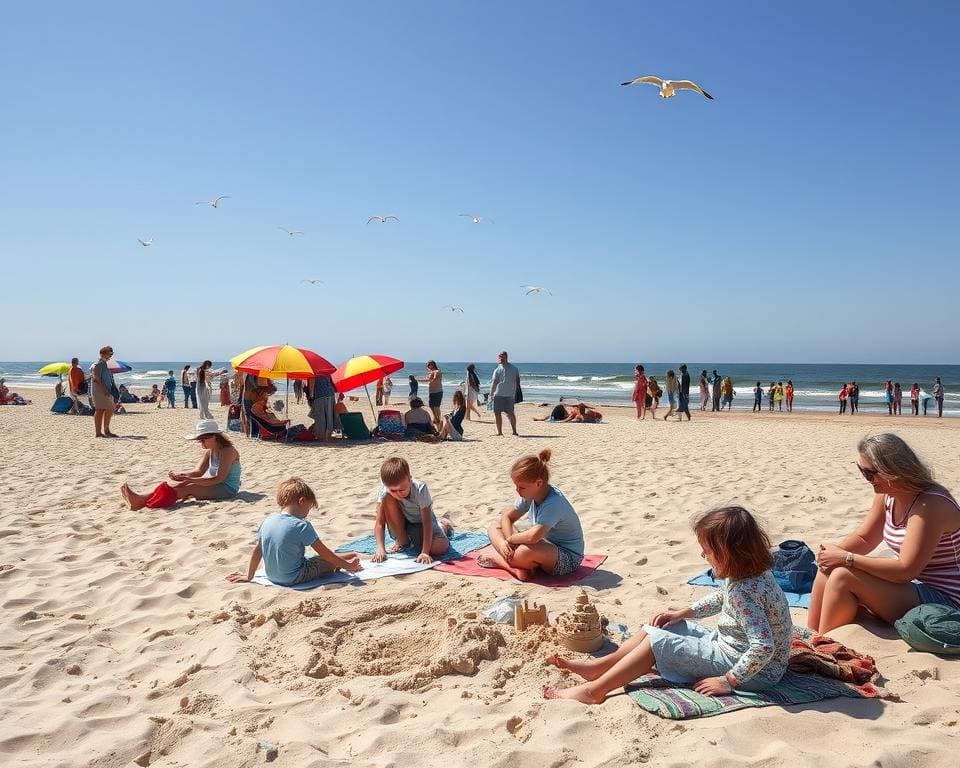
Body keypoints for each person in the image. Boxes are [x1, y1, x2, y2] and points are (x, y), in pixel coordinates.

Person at [544, 506, 791, 704]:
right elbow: (720, 598)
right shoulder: (750, 573)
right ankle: (599, 667)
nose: (703, 556)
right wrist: (684, 612)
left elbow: (763, 647)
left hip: (755, 672)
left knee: (657, 642)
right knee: (659, 626)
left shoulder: (744, 592)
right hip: (735, 649)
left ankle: (594, 691)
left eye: (707, 551)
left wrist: (728, 681)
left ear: (728, 554)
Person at [808, 434, 960, 634]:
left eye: (869, 473)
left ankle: (824, 646)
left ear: (892, 471)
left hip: (946, 599)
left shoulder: (930, 505)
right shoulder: (889, 495)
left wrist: (847, 558)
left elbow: (905, 569)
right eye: (862, 472)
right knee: (828, 567)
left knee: (843, 576)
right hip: (913, 586)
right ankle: (810, 637)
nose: (866, 479)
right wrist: (833, 554)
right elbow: (865, 538)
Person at [226, 478, 361, 586]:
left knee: (314, 558)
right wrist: (348, 566)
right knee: (328, 562)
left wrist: (249, 576)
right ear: (302, 501)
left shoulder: (268, 521)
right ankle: (346, 560)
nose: (307, 513)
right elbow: (324, 553)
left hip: (271, 576)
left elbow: (257, 551)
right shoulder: (301, 525)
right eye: (309, 507)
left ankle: (348, 555)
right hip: (294, 577)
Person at [482, 449, 585, 581]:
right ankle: (514, 561)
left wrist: (511, 540)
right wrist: (505, 543)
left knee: (524, 552)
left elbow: (533, 536)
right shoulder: (530, 493)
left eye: (521, 487)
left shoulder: (554, 502)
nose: (517, 491)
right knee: (495, 526)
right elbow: (507, 517)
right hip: (543, 545)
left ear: (538, 483)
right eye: (516, 486)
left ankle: (505, 563)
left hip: (567, 557)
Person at [121, 419, 241, 509]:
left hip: (227, 489)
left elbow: (219, 479)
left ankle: (141, 502)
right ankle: (143, 498)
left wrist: (191, 480)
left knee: (190, 487)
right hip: (214, 482)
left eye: (203, 440)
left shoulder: (228, 451)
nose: (201, 444)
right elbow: (198, 472)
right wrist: (183, 476)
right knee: (178, 483)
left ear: (215, 437)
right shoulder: (210, 452)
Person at [372, 457, 451, 564]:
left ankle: (442, 525)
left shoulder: (420, 488)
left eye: (402, 489)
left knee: (438, 548)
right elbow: (380, 523)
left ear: (409, 478)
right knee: (387, 497)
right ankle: (402, 541)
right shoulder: (386, 490)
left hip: (421, 523)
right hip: (404, 522)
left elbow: (427, 523)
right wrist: (380, 549)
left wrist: (425, 552)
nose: (398, 494)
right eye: (393, 490)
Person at [490, 350, 520, 437]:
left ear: (506, 357)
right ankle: (499, 432)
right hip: (498, 394)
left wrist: (516, 392)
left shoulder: (514, 368)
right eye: (499, 356)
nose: (500, 358)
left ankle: (514, 431)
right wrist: (491, 394)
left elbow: (517, 381)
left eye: (501, 356)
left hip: (510, 395)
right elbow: (494, 382)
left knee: (510, 413)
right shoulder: (497, 370)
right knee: (497, 413)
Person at [91, 346, 117, 437]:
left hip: (103, 390)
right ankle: (101, 432)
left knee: (106, 409)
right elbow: (96, 378)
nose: (110, 355)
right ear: (103, 354)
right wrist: (104, 389)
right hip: (99, 390)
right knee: (103, 409)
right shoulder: (98, 364)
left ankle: (105, 430)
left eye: (111, 353)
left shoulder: (104, 364)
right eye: (109, 353)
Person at [306, 373, 338, 441]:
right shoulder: (325, 371)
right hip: (330, 394)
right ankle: (328, 434)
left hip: (320, 395)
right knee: (329, 416)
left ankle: (321, 435)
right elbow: (332, 383)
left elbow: (312, 382)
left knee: (320, 416)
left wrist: (311, 395)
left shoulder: (313, 372)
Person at [425, 360, 443, 426]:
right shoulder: (431, 372)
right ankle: (436, 418)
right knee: (431, 406)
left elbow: (435, 376)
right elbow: (428, 379)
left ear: (432, 365)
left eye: (428, 365)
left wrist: (432, 378)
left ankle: (439, 419)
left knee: (437, 407)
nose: (428, 367)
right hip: (432, 391)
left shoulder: (437, 371)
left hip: (438, 391)